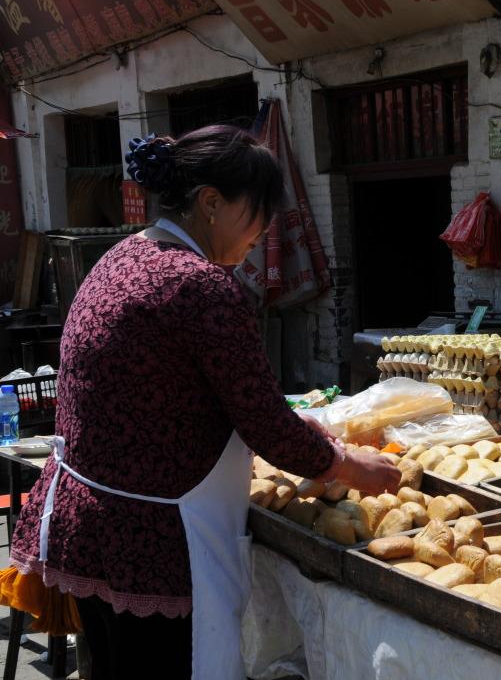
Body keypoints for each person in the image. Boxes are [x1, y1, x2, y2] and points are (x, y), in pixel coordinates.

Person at [8, 125, 400, 680]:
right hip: (150, 541)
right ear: (211, 203)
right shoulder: (199, 285)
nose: (262, 233)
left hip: (92, 526)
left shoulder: (123, 256)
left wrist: (294, 423)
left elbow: (186, 393)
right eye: (257, 215)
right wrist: (347, 465)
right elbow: (265, 423)